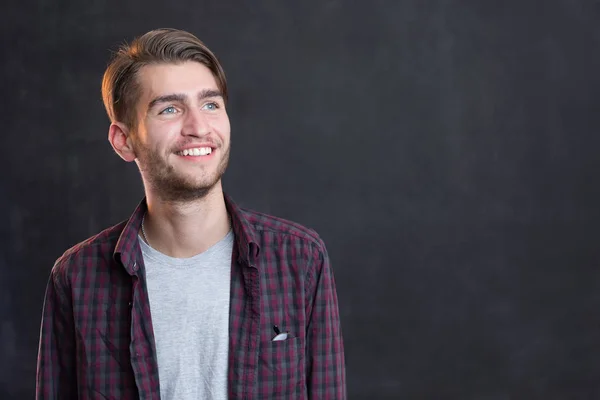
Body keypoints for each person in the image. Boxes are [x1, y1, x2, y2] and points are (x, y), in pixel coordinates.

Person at [36, 28, 346, 399]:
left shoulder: (300, 259)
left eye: (211, 104)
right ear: (124, 140)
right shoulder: (77, 278)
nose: (199, 127)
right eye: (170, 109)